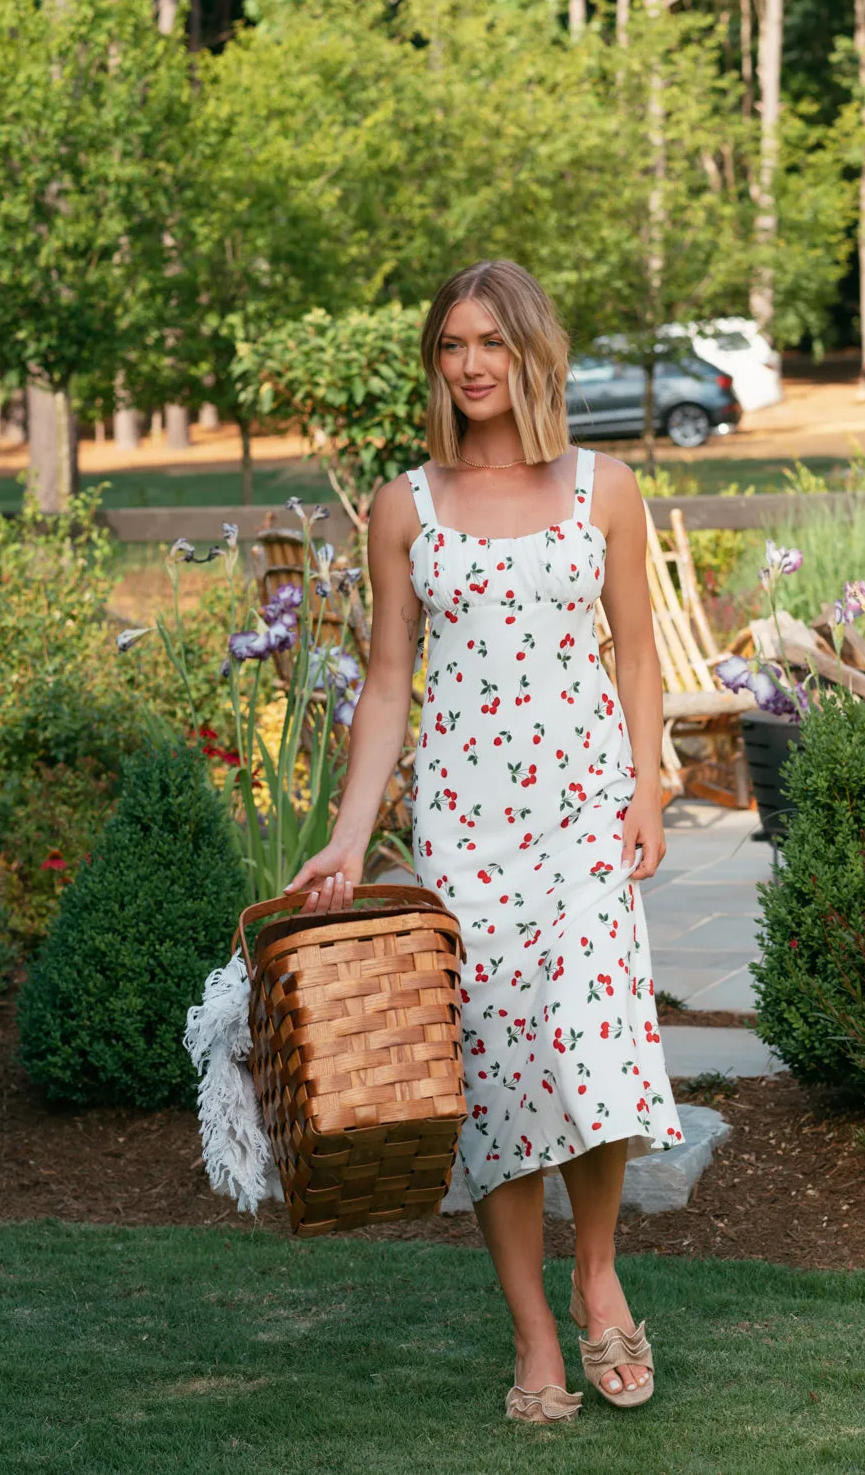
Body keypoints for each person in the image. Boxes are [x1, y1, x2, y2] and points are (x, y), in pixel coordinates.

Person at [287, 259, 684, 1424]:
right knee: (500, 1076)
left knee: (591, 1044)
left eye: (489, 343)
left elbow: (636, 653)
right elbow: (389, 680)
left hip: (581, 816)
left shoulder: (602, 488)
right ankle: (532, 1341)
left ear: (530, 353)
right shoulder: (405, 503)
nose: (468, 364)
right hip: (465, 829)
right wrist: (352, 840)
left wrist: (648, 794)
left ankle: (596, 1272)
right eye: (451, 345)